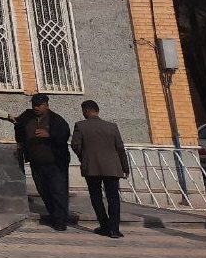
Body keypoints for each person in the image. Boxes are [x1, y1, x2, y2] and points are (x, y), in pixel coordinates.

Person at [70, 100, 129, 239]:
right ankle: (114, 229)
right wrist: (125, 166)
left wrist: (84, 157)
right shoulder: (112, 126)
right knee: (113, 198)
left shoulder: (80, 126)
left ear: (86, 111)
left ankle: (104, 225)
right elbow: (120, 148)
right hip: (112, 167)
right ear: (97, 111)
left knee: (96, 197)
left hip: (92, 167)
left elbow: (75, 145)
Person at [15, 93, 72, 231]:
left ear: (46, 105)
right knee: (43, 190)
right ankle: (54, 215)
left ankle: (60, 221)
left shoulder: (56, 120)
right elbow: (18, 126)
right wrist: (21, 143)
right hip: (36, 161)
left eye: (39, 105)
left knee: (58, 190)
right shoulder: (27, 117)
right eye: (34, 105)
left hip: (55, 162)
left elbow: (64, 136)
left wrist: (50, 135)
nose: (36, 107)